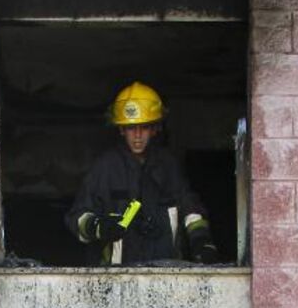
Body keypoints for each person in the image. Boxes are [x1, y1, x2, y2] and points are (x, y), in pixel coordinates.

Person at [66, 81, 218, 266]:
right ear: (121, 129)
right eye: (131, 128)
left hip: (167, 273)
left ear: (154, 129)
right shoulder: (105, 168)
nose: (137, 135)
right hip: (117, 277)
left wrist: (201, 241)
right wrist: (98, 226)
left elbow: (190, 208)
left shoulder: (169, 166)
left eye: (144, 127)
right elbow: (77, 217)